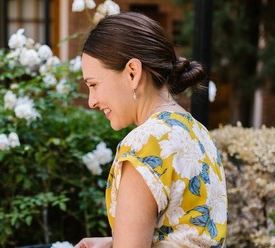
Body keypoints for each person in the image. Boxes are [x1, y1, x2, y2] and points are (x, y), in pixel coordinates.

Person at [74, 12, 227, 247]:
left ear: (133, 73)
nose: (91, 101)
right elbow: (185, 230)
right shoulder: (197, 132)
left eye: (94, 85)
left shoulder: (144, 144)